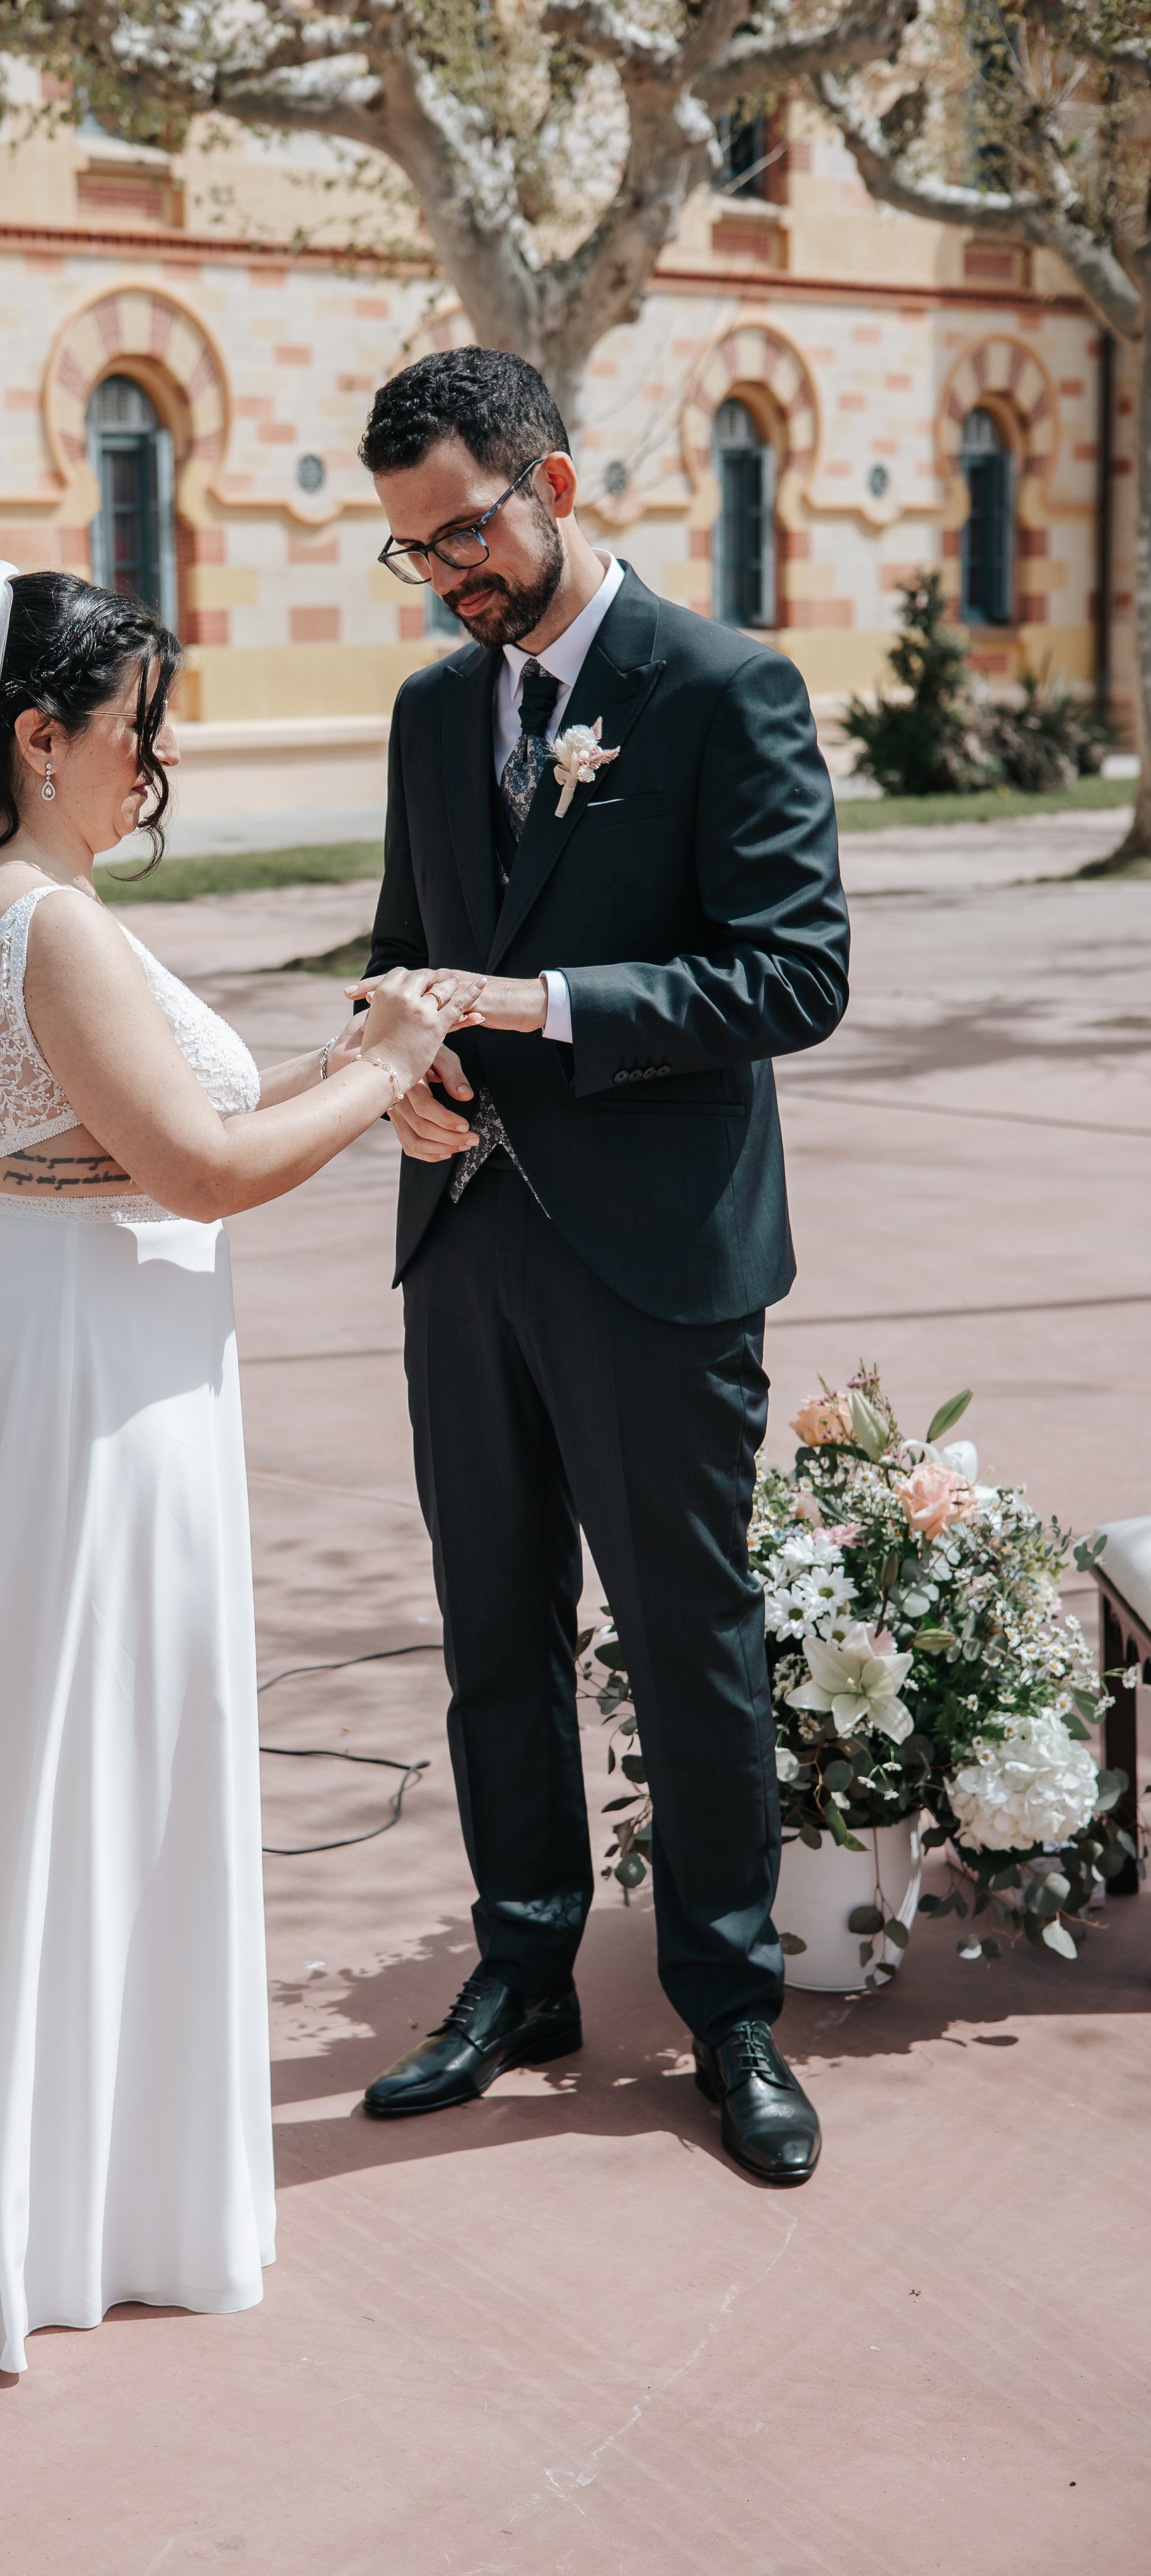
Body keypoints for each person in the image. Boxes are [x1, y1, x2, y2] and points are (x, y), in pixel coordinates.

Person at [0, 564, 478, 2368]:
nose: (152, 763)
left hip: (60, 1335)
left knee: (40, 1760)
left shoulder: (5, 896)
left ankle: (40, 2181)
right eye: (131, 725)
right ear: (37, 734)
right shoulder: (48, 917)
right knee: (66, 1753)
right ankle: (41, 2204)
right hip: (90, 1380)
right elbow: (201, 1173)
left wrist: (334, 1076)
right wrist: (391, 1051)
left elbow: (159, 1138)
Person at [348, 348, 850, 2185]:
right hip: (464, 1245)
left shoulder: (724, 689)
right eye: (416, 554)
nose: (453, 578)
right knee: (493, 1635)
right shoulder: (429, 713)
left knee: (691, 1646)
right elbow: (406, 948)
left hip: (658, 1263)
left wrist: (533, 1006)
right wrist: (389, 1070)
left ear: (554, 482)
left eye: (467, 533)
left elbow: (794, 974)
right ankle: (525, 1964)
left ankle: (731, 2009)